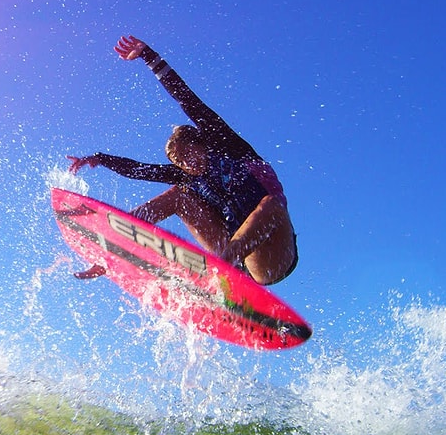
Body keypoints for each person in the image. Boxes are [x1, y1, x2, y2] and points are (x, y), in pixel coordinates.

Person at [67, 35, 297, 286]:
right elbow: (140, 170)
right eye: (178, 161)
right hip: (237, 257)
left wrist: (148, 56)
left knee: (272, 204)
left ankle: (223, 273)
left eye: (187, 154)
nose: (185, 164)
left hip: (274, 254)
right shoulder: (185, 176)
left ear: (202, 143)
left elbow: (187, 100)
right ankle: (112, 244)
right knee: (178, 195)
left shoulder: (230, 147)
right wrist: (100, 159)